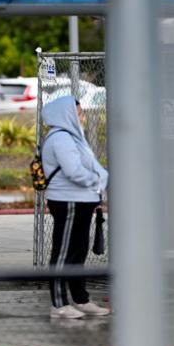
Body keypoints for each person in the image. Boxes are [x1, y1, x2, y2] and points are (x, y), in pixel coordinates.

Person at [41, 95, 110, 319]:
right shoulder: (61, 138)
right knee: (63, 253)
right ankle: (58, 304)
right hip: (68, 200)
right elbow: (73, 171)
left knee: (78, 251)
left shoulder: (73, 137)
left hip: (82, 200)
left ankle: (81, 299)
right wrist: (97, 180)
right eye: (79, 112)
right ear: (67, 114)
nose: (82, 116)